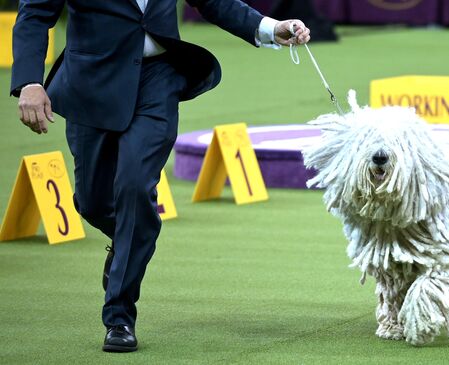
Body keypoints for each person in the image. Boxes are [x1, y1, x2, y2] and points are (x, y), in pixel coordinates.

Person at [10, 0, 310, 353]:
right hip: (91, 81)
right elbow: (35, 13)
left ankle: (119, 316)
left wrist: (269, 28)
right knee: (92, 203)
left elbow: (213, 2)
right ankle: (129, 239)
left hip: (158, 79)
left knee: (136, 187)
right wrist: (30, 81)